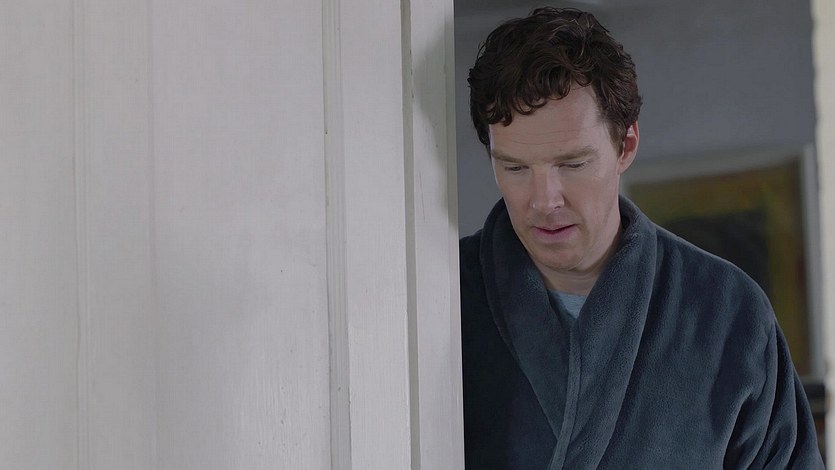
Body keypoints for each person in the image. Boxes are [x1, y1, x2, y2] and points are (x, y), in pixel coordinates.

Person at [459, 7, 824, 469]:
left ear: (625, 146)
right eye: (515, 168)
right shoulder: (439, 303)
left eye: (572, 164)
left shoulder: (729, 313)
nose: (544, 200)